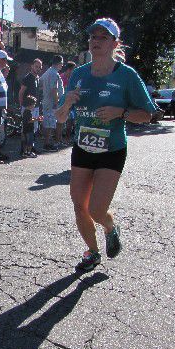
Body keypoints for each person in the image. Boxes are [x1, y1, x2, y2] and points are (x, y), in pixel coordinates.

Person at [55, 18, 155, 273]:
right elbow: (60, 117)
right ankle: (93, 252)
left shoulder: (126, 76)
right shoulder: (78, 74)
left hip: (112, 149)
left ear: (114, 43)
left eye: (102, 37)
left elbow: (146, 114)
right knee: (79, 205)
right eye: (93, 37)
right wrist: (66, 104)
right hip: (83, 147)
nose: (96, 42)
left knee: (96, 209)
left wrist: (120, 113)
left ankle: (110, 226)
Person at [40, 55, 65, 150]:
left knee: (48, 122)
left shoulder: (48, 72)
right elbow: (54, 89)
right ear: (58, 63)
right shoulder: (54, 73)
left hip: (46, 100)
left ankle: (47, 142)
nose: (62, 66)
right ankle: (46, 143)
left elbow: (40, 83)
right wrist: (56, 102)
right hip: (51, 102)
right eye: (62, 64)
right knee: (49, 123)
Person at [18, 58, 42, 148]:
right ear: (32, 66)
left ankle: (31, 148)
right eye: (36, 66)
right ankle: (23, 149)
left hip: (36, 107)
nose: (38, 68)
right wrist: (21, 106)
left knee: (34, 128)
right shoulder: (27, 78)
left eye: (40, 67)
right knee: (26, 129)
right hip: (27, 107)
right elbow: (21, 92)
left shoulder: (37, 78)